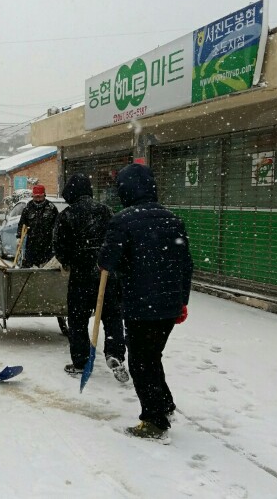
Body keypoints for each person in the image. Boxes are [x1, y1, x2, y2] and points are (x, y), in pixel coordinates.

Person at [98, 163, 193, 441]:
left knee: (141, 362)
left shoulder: (123, 221)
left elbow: (107, 262)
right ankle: (164, 403)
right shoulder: (173, 219)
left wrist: (107, 252)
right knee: (152, 356)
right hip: (169, 304)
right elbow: (186, 264)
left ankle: (154, 421)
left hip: (141, 305)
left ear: (125, 190)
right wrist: (182, 301)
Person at [52, 173, 128, 382]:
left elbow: (60, 247)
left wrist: (68, 261)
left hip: (81, 277)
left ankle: (81, 361)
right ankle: (115, 353)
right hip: (107, 275)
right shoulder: (107, 211)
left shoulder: (67, 215)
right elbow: (118, 242)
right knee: (112, 317)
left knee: (77, 320)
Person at [17, 184, 59, 267]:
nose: (38, 199)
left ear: (44, 195)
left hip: (47, 245)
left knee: (46, 269)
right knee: (29, 268)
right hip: (32, 244)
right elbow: (22, 224)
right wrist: (19, 237)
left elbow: (58, 225)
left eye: (40, 197)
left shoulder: (51, 208)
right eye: (36, 197)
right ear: (33, 196)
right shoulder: (28, 208)